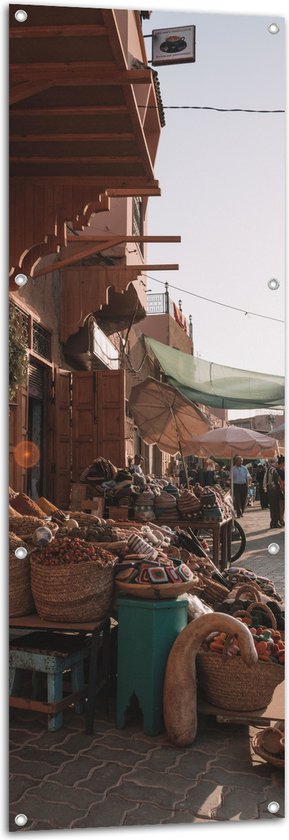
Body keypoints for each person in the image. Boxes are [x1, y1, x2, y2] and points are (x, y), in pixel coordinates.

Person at [264, 458, 283, 528]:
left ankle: (274, 522)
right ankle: (274, 523)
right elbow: (275, 480)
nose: (277, 464)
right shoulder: (272, 470)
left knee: (273, 507)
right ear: (273, 462)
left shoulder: (269, 469)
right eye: (276, 463)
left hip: (271, 490)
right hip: (273, 491)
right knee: (275, 507)